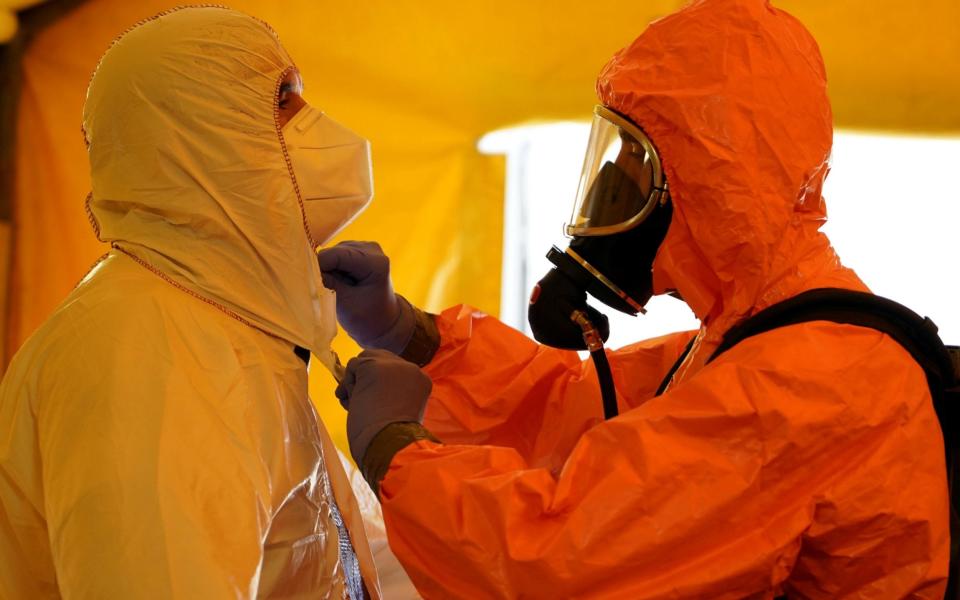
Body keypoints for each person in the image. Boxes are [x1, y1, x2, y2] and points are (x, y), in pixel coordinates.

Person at [322, 0, 951, 597]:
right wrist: (409, 335)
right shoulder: (759, 339)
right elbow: (568, 411)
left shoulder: (804, 381)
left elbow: (555, 567)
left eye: (636, 158)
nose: (610, 189)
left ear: (711, 180)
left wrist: (395, 449)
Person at [0, 6, 411, 598]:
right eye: (282, 101)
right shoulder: (144, 348)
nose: (315, 125)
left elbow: (344, 561)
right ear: (196, 132)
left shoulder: (234, 328)